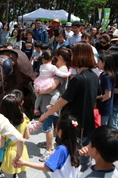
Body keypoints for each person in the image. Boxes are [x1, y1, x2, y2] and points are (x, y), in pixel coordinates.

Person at [39, 42, 100, 172]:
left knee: (72, 158)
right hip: (87, 125)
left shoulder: (79, 79)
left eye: (73, 55)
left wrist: (46, 114)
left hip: (75, 126)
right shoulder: (93, 76)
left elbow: (63, 101)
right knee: (84, 158)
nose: (71, 58)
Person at [15, 113, 80, 178]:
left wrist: (24, 163)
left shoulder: (62, 149)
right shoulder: (76, 145)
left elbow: (46, 167)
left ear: (60, 131)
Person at [0, 90, 30, 178]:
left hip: (8, 155)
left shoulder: (3, 124)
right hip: (22, 152)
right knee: (23, 175)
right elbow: (27, 136)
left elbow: (1, 145)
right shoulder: (24, 119)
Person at [33, 50, 71, 116]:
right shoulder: (53, 67)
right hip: (47, 86)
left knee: (39, 97)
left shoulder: (41, 66)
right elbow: (61, 75)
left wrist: (40, 91)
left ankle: (36, 108)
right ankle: (51, 105)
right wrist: (68, 73)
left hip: (40, 84)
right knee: (56, 94)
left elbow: (51, 87)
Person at [97, 52, 116, 126]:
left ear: (104, 63)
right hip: (102, 106)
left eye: (99, 61)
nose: (97, 63)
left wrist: (96, 101)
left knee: (103, 127)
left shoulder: (107, 77)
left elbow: (107, 95)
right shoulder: (102, 74)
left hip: (105, 107)